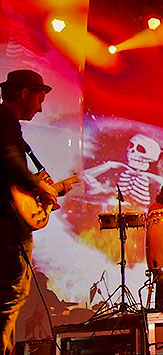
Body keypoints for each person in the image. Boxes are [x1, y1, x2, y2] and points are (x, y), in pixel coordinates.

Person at [0, 69, 58, 354]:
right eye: (39, 98)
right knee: (7, 303)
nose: (40, 106)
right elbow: (9, 161)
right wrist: (38, 186)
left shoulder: (8, 125)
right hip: (6, 231)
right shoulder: (5, 121)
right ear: (24, 93)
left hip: (9, 228)